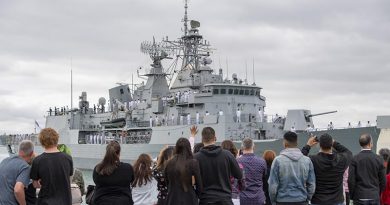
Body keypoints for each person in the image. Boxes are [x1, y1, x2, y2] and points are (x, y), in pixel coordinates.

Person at [194, 127, 243, 205]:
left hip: (206, 200)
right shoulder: (227, 155)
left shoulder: (196, 158)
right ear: (215, 138)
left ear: (202, 139)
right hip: (225, 199)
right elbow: (239, 175)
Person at [301, 133, 352, 205]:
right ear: (331, 144)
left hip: (318, 201)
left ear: (319, 145)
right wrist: (334, 143)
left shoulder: (313, 160)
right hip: (337, 201)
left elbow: (300, 159)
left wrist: (308, 145)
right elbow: (349, 153)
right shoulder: (341, 160)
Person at [268, 131, 315, 205]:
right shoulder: (307, 160)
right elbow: (312, 184)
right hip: (301, 199)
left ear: (284, 142)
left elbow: (272, 186)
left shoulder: (277, 160)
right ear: (296, 143)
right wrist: (307, 198)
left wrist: (274, 201)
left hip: (282, 200)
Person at [30, 128, 73, 205]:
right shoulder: (68, 158)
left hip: (45, 201)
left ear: (42, 142)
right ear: (57, 140)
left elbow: (35, 184)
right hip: (65, 201)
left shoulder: (37, 160)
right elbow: (69, 179)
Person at [348, 134, 386, 205]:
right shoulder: (379, 159)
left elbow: (351, 180)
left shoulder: (354, 159)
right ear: (370, 143)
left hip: (359, 196)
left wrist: (353, 195)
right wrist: (377, 192)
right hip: (374, 196)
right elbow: (383, 181)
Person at [165, 138, 203, 205]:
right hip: (189, 198)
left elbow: (167, 183)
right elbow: (199, 184)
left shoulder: (169, 163)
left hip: (172, 199)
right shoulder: (193, 163)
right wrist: (197, 196)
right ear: (188, 148)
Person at [0, 140, 34, 205]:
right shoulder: (25, 167)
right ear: (32, 153)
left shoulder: (4, 161)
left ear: (19, 150)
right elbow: (18, 189)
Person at [237, 138, 267, 205]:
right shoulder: (262, 161)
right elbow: (264, 177)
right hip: (259, 198)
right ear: (253, 147)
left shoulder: (237, 162)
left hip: (243, 199)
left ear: (242, 147)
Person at [221, 140, 245, 205]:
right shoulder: (239, 166)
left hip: (221, 197)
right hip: (234, 197)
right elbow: (243, 185)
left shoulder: (218, 165)